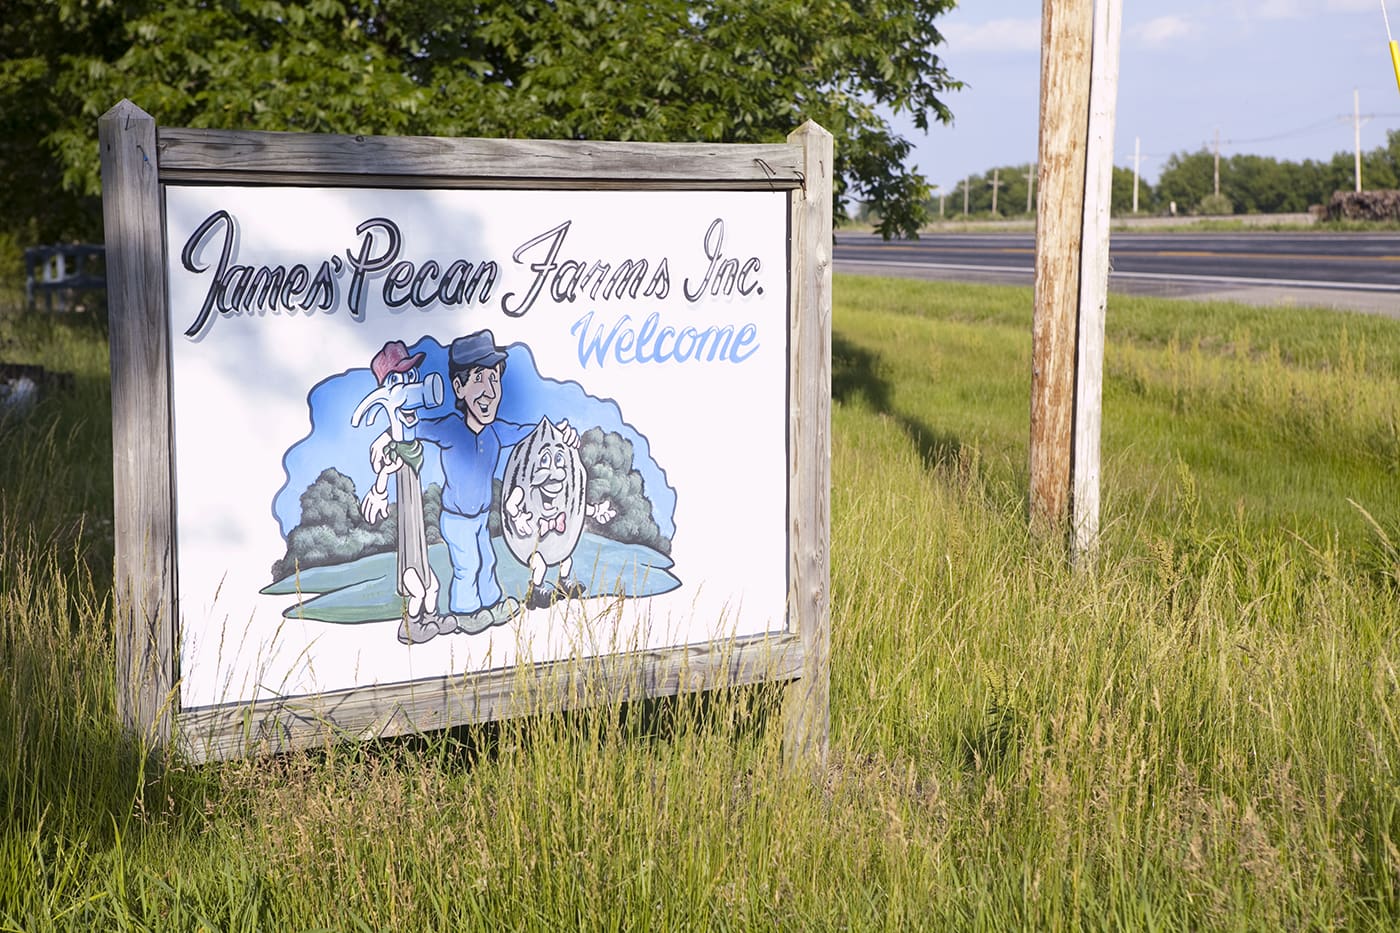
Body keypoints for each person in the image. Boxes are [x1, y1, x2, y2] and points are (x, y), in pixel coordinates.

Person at [416, 330, 577, 632]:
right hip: (456, 517)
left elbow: (529, 432)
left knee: (486, 560)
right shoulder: (451, 428)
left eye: (494, 379)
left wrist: (558, 433)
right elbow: (416, 429)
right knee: (467, 566)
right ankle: (466, 612)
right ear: (459, 388)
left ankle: (492, 603)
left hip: (479, 517)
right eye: (478, 378)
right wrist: (388, 439)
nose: (489, 390)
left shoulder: (495, 432)